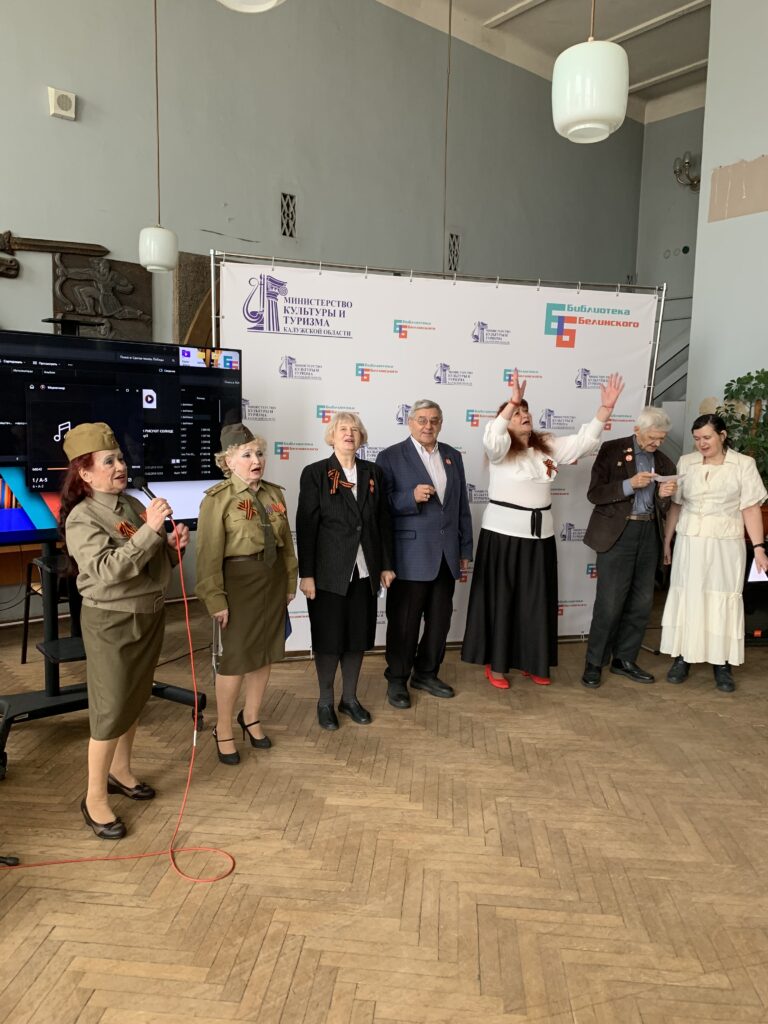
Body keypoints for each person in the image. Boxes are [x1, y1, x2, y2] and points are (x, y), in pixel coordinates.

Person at [60, 422, 189, 839]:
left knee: (134, 699)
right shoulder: (83, 517)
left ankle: (120, 771)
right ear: (85, 473)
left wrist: (170, 548)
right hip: (112, 622)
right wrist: (151, 531)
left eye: (120, 458)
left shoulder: (131, 505)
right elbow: (107, 571)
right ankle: (94, 797)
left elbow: (147, 562)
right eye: (108, 461)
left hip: (148, 615)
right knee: (110, 708)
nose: (120, 466)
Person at [461, 370, 624, 688]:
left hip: (540, 537)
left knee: (535, 601)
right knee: (504, 601)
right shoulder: (499, 450)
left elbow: (581, 444)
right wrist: (512, 402)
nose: (523, 415)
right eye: (516, 413)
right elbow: (492, 437)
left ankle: (532, 661)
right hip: (504, 537)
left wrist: (605, 409)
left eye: (525, 411)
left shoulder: (545, 445)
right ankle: (496, 666)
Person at [196, 424, 297, 763]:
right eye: (247, 454)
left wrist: (289, 583)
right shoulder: (218, 499)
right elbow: (208, 555)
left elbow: (286, 546)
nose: (257, 461)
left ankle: (251, 717)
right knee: (236, 659)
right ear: (228, 461)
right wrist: (215, 598)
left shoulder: (274, 494)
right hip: (238, 584)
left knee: (265, 653)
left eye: (260, 454)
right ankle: (223, 727)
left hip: (272, 580)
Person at [296, 412, 395, 729]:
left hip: (365, 571)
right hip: (327, 574)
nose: (349, 433)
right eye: (342, 429)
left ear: (362, 437)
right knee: (329, 640)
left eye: (354, 429)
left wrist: (386, 564)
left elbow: (383, 521)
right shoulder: (315, 473)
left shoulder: (373, 472)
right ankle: (325, 701)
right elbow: (306, 525)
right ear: (332, 436)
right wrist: (306, 573)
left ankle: (349, 699)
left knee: (357, 638)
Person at [660, 413, 768, 692]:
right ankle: (683, 656)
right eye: (697, 438)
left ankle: (722, 663)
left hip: (725, 544)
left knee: (722, 598)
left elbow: (750, 508)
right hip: (690, 542)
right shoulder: (686, 462)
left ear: (722, 436)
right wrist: (667, 541)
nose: (702, 443)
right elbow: (676, 506)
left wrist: (759, 548)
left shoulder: (743, 464)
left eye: (707, 437)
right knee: (689, 596)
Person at [376, 400, 473, 708]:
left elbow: (461, 506)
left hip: (446, 554)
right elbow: (379, 507)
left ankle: (426, 673)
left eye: (434, 420)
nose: (428, 425)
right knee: (404, 623)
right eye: (421, 420)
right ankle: (397, 678)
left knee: (440, 621)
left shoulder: (453, 456)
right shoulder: (390, 456)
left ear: (440, 423)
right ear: (410, 423)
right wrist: (410, 497)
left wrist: (465, 548)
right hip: (409, 555)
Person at [581, 407, 677, 688]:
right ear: (637, 430)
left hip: (649, 533)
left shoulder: (664, 462)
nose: (657, 443)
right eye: (652, 437)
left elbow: (663, 508)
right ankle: (595, 662)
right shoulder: (612, 450)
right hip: (617, 534)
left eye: (661, 438)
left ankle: (624, 660)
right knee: (610, 603)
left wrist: (663, 496)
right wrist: (628, 484)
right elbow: (594, 493)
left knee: (642, 603)